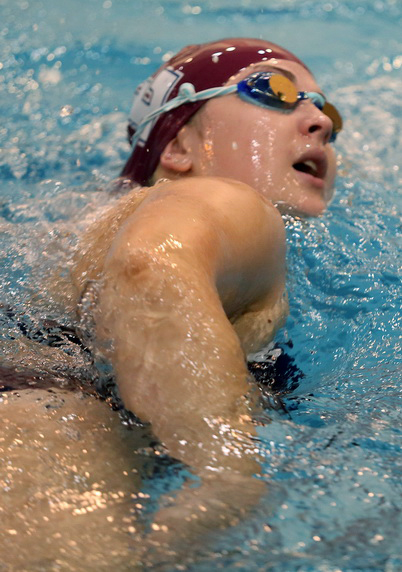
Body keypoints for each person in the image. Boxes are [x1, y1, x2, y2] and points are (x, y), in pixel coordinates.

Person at [71, 37, 342, 556]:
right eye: (275, 91)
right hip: (63, 428)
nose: (322, 122)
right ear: (176, 147)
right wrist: (224, 470)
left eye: (325, 109)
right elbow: (149, 264)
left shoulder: (96, 221)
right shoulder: (230, 201)